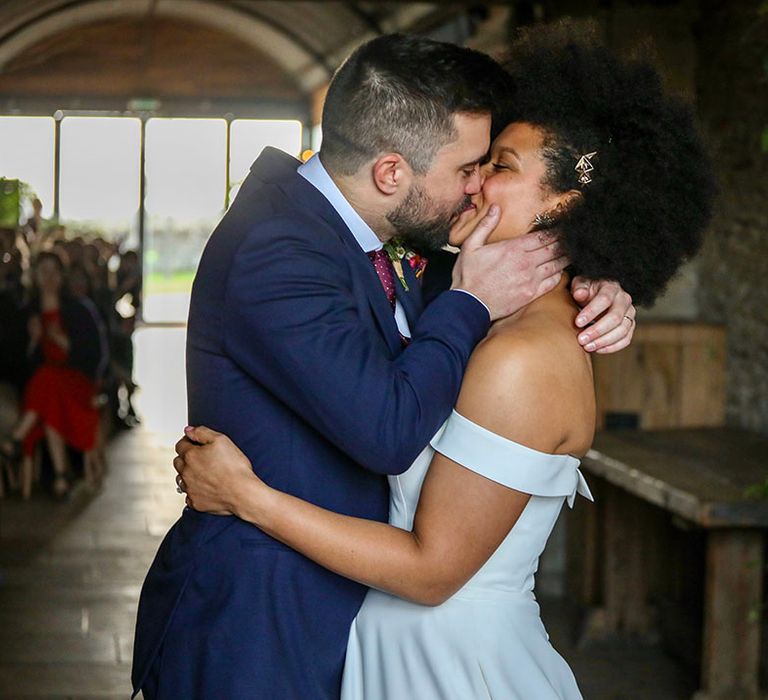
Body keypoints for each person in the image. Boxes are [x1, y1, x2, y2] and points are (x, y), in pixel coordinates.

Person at [133, 33, 637, 700]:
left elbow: (450, 330)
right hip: (257, 629)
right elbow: (389, 428)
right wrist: (471, 297)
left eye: (494, 166)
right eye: (468, 168)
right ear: (392, 173)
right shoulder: (280, 248)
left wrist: (597, 281)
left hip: (379, 631)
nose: (475, 185)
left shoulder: (384, 244)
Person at [1, 252, 107, 498]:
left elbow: (92, 356)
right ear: (35, 277)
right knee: (48, 387)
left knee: (48, 382)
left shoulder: (78, 308)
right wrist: (34, 341)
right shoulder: (29, 312)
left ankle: (17, 438)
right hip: (46, 389)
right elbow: (18, 364)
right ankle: (61, 476)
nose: (48, 277)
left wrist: (61, 339)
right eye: (43, 272)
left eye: (53, 271)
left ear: (61, 276)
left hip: (79, 382)